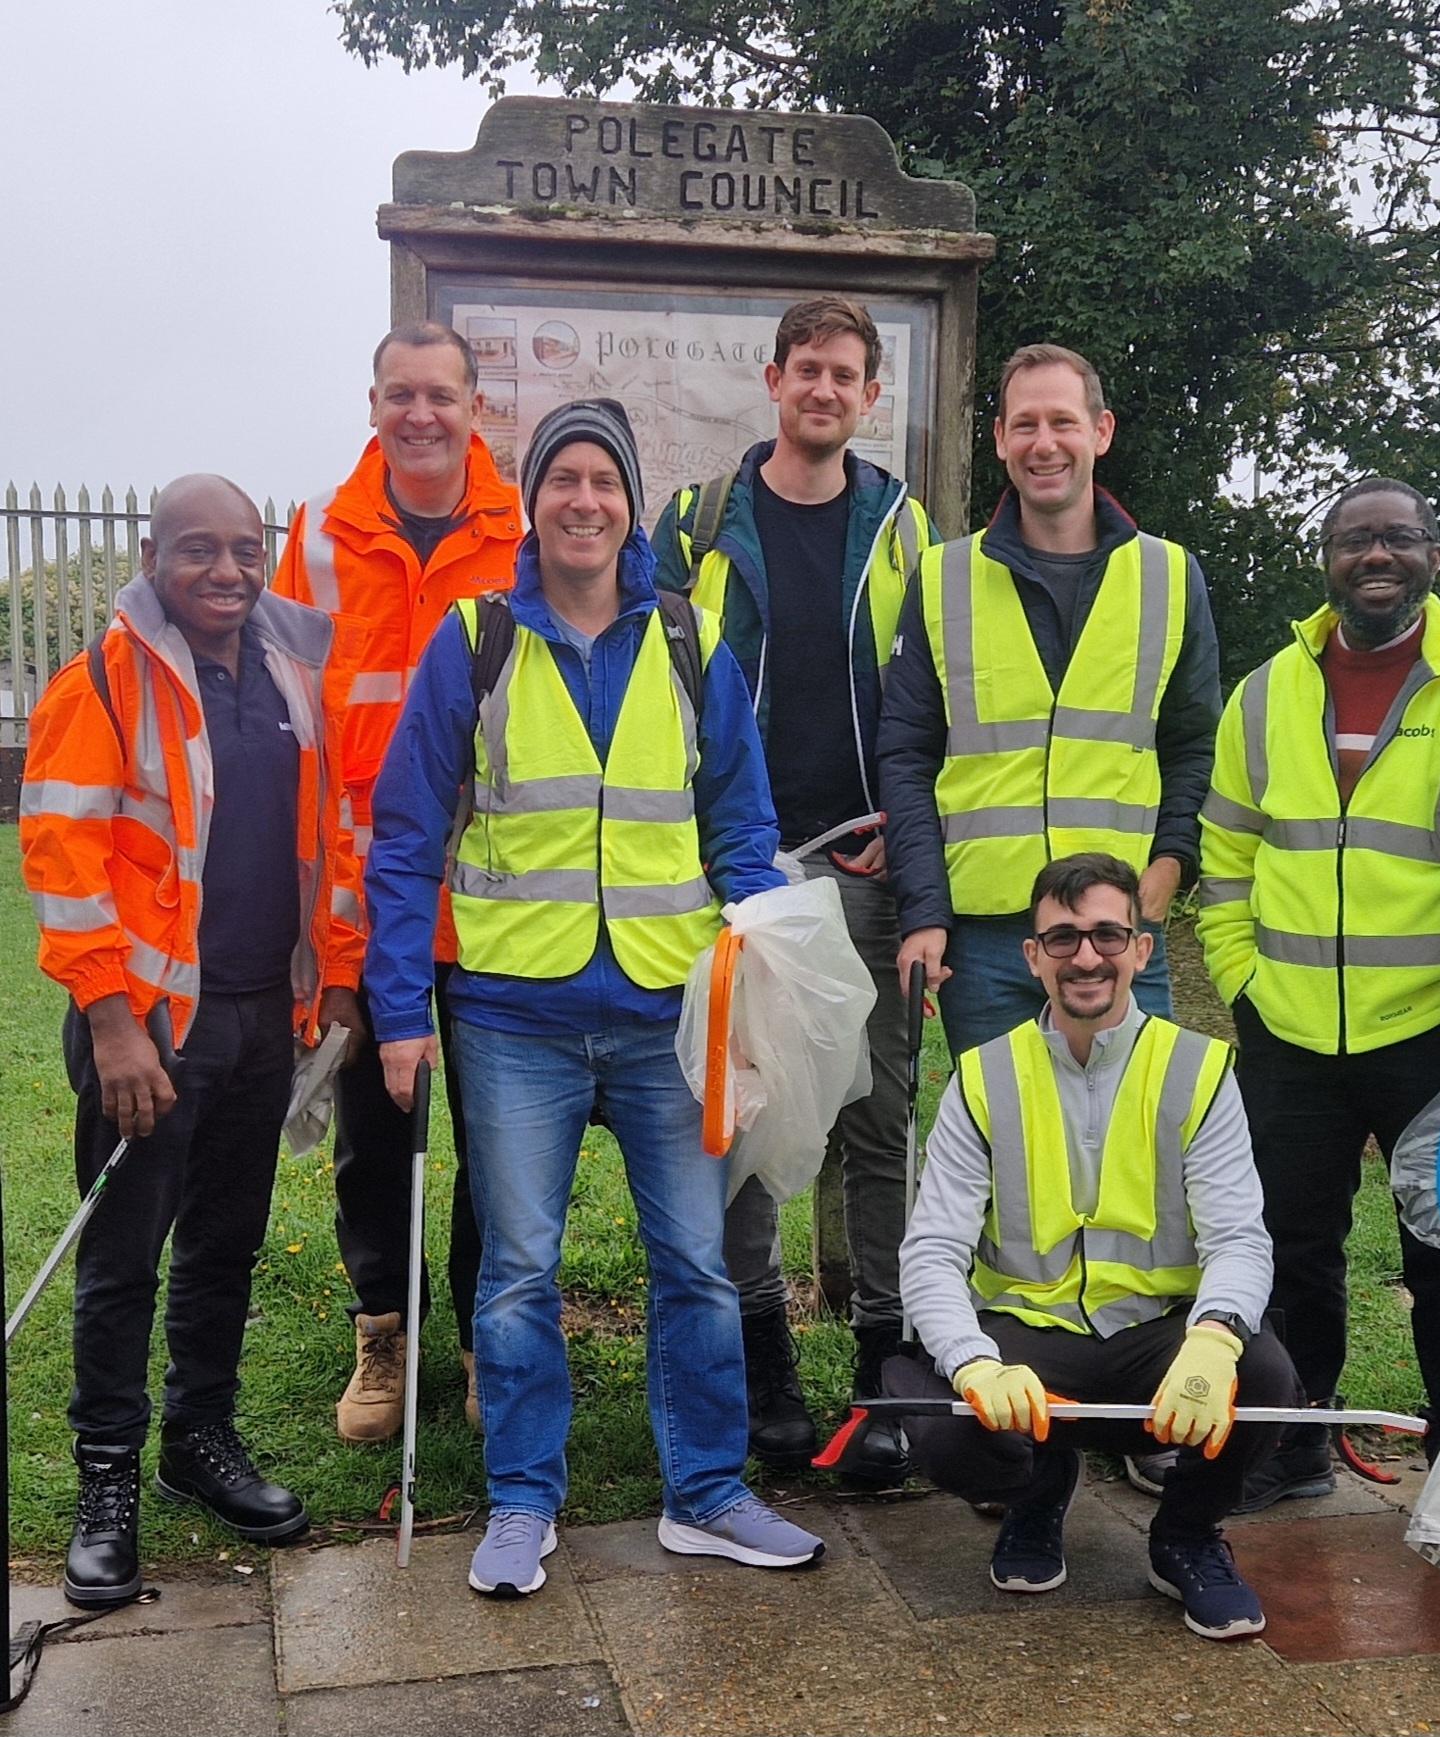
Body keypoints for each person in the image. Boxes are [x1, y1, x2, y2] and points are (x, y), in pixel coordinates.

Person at [364, 399, 826, 1597]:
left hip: (667, 1007)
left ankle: (708, 1493)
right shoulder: (475, 639)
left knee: (696, 1261)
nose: (584, 500)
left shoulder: (686, 638)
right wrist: (403, 1011)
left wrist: (759, 949)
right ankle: (522, 1502)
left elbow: (739, 819)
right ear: (536, 498)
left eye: (604, 482)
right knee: (519, 1268)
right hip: (516, 1014)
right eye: (563, 478)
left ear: (629, 502)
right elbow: (408, 835)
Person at [21, 475, 365, 1605]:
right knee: (123, 1263)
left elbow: (318, 839)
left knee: (227, 1244)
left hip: (265, 1011)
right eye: (197, 551)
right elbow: (62, 857)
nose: (226, 571)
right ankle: (106, 1480)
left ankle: (196, 1443)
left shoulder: (285, 673)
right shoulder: (105, 683)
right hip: (150, 1029)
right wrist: (114, 1025)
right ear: (151, 555)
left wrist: (331, 987)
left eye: (242, 550)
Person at [650, 295, 935, 1488]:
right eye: (806, 369)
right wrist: (723, 858)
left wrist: (907, 843)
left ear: (871, 398)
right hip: (749, 874)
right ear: (772, 381)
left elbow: (926, 696)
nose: (824, 390)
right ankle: (763, 1367)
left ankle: (883, 1375)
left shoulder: (904, 526)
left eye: (846, 375)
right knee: (748, 1117)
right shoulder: (696, 522)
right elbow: (652, 697)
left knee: (878, 1121)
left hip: (868, 862)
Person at [889, 853, 1297, 1639]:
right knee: (949, 1433)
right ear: (1032, 955)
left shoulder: (1198, 1068)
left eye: (1109, 934)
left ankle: (1184, 1536)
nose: (1086, 956)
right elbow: (931, 1251)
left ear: (1142, 950)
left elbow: (1240, 1236)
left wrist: (1212, 1339)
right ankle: (1036, 1490)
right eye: (1063, 937)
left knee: (1267, 1377)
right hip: (1027, 1343)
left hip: (1159, 1339)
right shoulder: (983, 1076)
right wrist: (974, 1360)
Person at [1197, 477, 1440, 1510]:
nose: (1377, 556)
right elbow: (1226, 856)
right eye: (1354, 540)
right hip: (1287, 1026)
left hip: (1436, 1025)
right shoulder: (1265, 693)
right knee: (1288, 1248)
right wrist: (1242, 979)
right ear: (1325, 559)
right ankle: (1293, 1445)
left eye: (1398, 538)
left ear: (1433, 554)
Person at [272, 322, 522, 1442]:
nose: (420, 414)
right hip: (368, 902)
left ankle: (484, 1340)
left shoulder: (523, 529)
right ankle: (384, 1338)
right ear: (371, 404)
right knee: (375, 1135)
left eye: (441, 394)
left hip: (503, 897)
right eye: (399, 395)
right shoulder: (318, 538)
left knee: (501, 1136)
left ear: (477, 406)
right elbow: (284, 724)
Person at [878, 344, 1221, 1054]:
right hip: (989, 942)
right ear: (1000, 439)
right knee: (1009, 1152)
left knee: (1132, 1152)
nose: (1044, 443)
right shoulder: (943, 578)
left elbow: (1194, 744)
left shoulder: (1169, 576)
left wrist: (1168, 866)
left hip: (1122, 930)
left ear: (1100, 432)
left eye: (1062, 422)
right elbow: (906, 757)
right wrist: (925, 911)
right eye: (1024, 424)